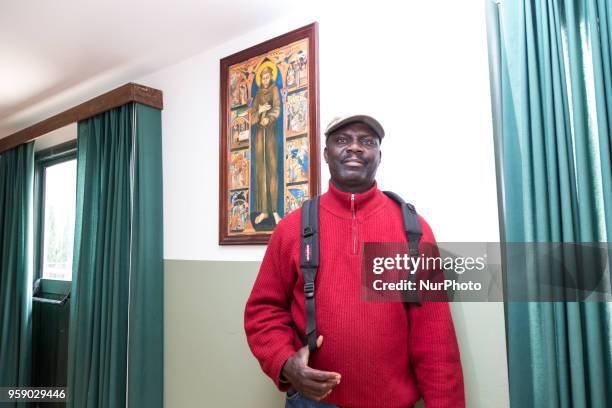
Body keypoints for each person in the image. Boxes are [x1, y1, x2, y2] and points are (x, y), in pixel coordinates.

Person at [244, 115, 465, 408]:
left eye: (367, 141)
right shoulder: (291, 230)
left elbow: (436, 340)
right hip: (311, 403)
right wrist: (285, 363)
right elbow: (264, 311)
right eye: (342, 140)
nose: (355, 148)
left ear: (379, 156)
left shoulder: (414, 231)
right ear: (326, 154)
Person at [251, 61, 282, 226]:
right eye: (262, 77)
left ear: (271, 77)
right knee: (261, 172)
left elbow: (277, 108)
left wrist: (268, 118)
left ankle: (275, 210)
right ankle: (264, 211)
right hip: (259, 138)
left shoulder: (274, 90)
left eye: (267, 76)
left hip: (270, 134)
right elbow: (252, 117)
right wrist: (260, 112)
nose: (265, 79)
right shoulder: (257, 96)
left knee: (272, 169)